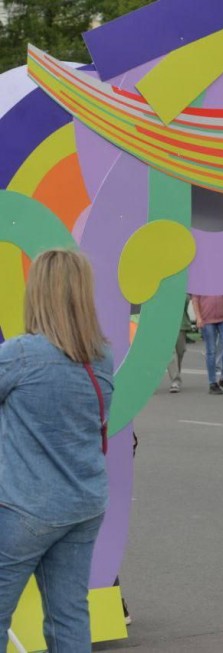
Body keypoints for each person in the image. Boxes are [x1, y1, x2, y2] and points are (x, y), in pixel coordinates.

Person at [0, 249, 114, 652]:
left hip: (24, 508)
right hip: (84, 504)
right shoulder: (101, 357)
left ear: (38, 294)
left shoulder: (20, 355)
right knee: (69, 616)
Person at [191, 294, 223, 395]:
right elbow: (195, 299)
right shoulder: (201, 282)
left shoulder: (222, 280)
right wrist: (198, 317)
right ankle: (212, 383)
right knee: (211, 351)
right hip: (207, 320)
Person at [166, 295, 192, 393]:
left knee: (180, 352)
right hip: (166, 323)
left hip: (181, 323)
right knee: (170, 352)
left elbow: (186, 300)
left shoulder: (183, 288)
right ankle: (175, 380)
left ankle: (176, 375)